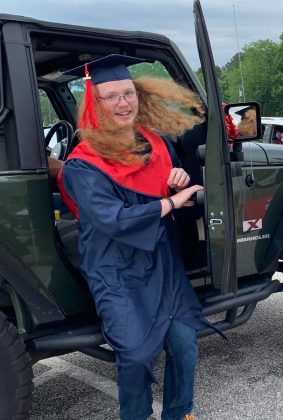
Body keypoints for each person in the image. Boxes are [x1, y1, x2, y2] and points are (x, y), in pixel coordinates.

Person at [57, 54, 214, 420]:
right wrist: (171, 200)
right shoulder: (83, 163)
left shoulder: (156, 144)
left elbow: (181, 200)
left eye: (128, 94)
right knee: (136, 355)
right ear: (95, 104)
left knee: (185, 342)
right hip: (115, 270)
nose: (123, 103)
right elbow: (114, 221)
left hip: (162, 262)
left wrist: (180, 182)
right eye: (111, 96)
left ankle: (180, 412)